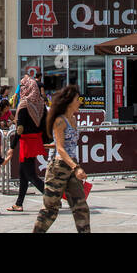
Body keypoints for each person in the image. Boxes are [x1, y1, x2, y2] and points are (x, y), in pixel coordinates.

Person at [32, 84, 90, 234]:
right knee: (50, 209)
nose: (80, 102)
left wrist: (51, 146)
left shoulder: (73, 119)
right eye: (78, 99)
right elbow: (61, 149)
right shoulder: (59, 120)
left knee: (81, 207)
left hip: (70, 165)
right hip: (58, 167)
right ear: (70, 101)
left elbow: (61, 144)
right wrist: (76, 167)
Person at [9, 72, 48, 212]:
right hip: (35, 140)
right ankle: (19, 203)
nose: (21, 90)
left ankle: (52, 198)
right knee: (23, 174)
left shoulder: (24, 104)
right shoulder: (39, 103)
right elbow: (44, 124)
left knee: (31, 175)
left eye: (22, 87)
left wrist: (12, 146)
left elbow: (19, 128)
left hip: (26, 141)